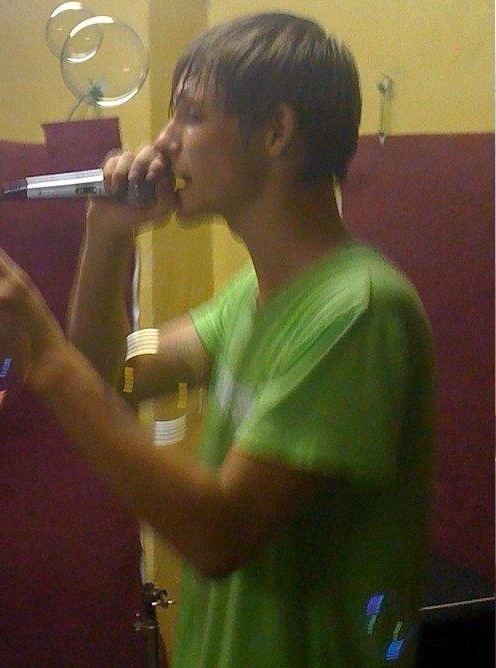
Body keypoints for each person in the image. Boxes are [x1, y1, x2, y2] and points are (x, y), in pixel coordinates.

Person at [0, 12, 435, 667]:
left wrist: (45, 355)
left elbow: (218, 534)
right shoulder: (252, 296)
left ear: (276, 132)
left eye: (191, 116)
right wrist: (107, 235)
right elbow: (109, 379)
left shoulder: (359, 310)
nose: (164, 143)